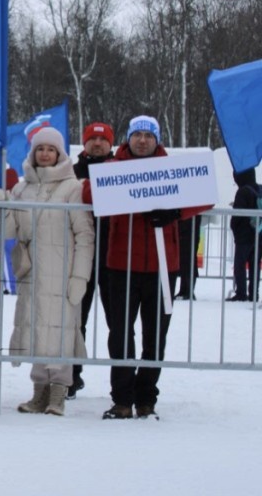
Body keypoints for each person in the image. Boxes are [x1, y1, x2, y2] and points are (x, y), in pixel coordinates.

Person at [89, 115, 210, 420]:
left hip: (162, 268)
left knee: (155, 337)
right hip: (120, 266)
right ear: (128, 139)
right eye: (137, 134)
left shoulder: (171, 169)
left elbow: (205, 194)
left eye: (148, 135)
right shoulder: (112, 168)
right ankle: (122, 398)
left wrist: (176, 211)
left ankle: (146, 398)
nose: (142, 140)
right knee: (120, 335)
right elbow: (89, 194)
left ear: (157, 139)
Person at [2, 128, 94, 417]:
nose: (44, 153)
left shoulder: (72, 188)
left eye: (50, 149)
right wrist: (1, 206)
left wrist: (80, 277)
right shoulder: (21, 188)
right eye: (40, 149)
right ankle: (39, 392)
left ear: (59, 154)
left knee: (61, 333)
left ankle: (58, 393)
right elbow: (8, 231)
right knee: (37, 330)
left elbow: (85, 234)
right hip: (32, 273)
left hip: (63, 273)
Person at [69, 121, 115, 398]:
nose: (97, 144)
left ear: (111, 144)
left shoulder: (124, 171)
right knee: (75, 320)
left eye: (102, 140)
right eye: (92, 140)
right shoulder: (70, 173)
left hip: (114, 256)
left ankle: (121, 383)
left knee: (118, 323)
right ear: (84, 144)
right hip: (78, 256)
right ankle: (71, 375)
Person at [229, 169, 262, 302]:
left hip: (244, 236)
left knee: (240, 264)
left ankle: (241, 293)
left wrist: (234, 228)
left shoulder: (242, 191)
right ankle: (254, 294)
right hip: (259, 235)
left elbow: (237, 216)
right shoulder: (260, 189)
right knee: (255, 265)